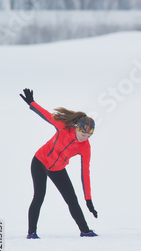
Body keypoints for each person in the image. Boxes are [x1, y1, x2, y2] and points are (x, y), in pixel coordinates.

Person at [20, 88, 99, 238]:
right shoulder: (63, 127)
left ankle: (85, 231)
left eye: (89, 135)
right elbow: (46, 115)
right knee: (39, 196)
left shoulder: (86, 148)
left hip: (57, 169)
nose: (85, 137)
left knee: (72, 200)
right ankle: (31, 233)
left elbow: (85, 173)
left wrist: (88, 199)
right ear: (77, 128)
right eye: (83, 134)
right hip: (39, 161)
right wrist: (32, 103)